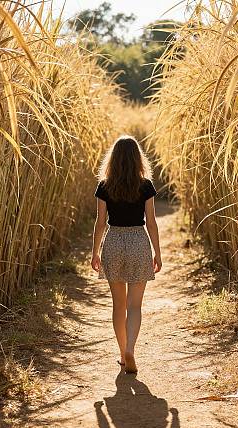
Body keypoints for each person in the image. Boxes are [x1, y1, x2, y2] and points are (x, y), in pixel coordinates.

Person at [91, 135, 162, 375]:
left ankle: (123, 355)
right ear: (137, 158)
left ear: (113, 158)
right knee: (135, 306)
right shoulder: (146, 185)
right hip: (138, 241)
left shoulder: (104, 185)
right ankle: (131, 348)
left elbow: (100, 223)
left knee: (118, 305)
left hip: (113, 242)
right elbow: (151, 222)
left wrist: (95, 252)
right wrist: (158, 253)